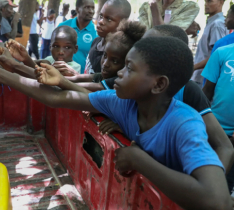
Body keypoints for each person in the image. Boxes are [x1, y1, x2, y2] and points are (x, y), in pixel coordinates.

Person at [0, 37, 232, 210]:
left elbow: (216, 200)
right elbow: (56, 97)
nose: (120, 74)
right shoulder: (122, 102)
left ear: (159, 84)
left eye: (130, 68)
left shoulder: (185, 123)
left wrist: (138, 159)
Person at [95, 24, 234, 179]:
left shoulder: (188, 94)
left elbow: (224, 147)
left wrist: (212, 186)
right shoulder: (134, 86)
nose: (142, 48)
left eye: (151, 46)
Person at [68, 20, 145, 84]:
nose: (105, 63)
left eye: (114, 61)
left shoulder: (117, 81)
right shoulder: (105, 74)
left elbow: (90, 90)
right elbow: (80, 78)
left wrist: (60, 80)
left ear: (126, 63)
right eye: (105, 56)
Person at [202, 43, 234, 194]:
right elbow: (207, 92)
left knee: (224, 185)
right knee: (203, 174)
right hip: (214, 129)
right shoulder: (222, 53)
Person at [4, 26, 81, 75]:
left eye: (67, 47)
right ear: (50, 47)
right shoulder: (50, 59)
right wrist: (24, 57)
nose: (61, 52)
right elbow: (35, 69)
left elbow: (44, 74)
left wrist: (26, 59)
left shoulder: (74, 68)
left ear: (75, 49)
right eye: (56, 46)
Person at [84, 0, 131, 74]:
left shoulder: (117, 53)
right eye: (101, 16)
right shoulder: (96, 41)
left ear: (123, 23)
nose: (100, 21)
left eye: (109, 19)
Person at [192, 0, 229, 88]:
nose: (206, 4)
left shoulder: (217, 24)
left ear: (221, 2)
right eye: (205, 1)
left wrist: (193, 67)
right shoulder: (213, 22)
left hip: (204, 79)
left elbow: (217, 55)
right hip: (201, 77)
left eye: (210, 1)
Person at [58, 0, 97, 73]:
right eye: (87, 7)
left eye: (93, 8)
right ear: (77, 9)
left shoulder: (96, 32)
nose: (91, 11)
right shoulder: (62, 27)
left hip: (82, 80)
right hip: (60, 75)